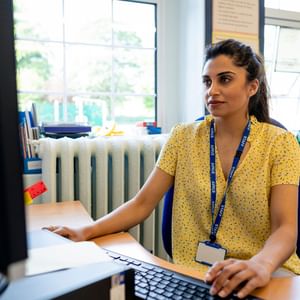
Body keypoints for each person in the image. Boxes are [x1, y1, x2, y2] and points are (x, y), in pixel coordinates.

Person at [47, 39, 300, 298]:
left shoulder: (280, 143)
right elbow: (142, 203)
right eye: (207, 81)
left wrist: (261, 264)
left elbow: (286, 228)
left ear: (252, 87)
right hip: (195, 273)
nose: (212, 90)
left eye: (224, 79)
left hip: (263, 274)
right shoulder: (183, 136)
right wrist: (86, 230)